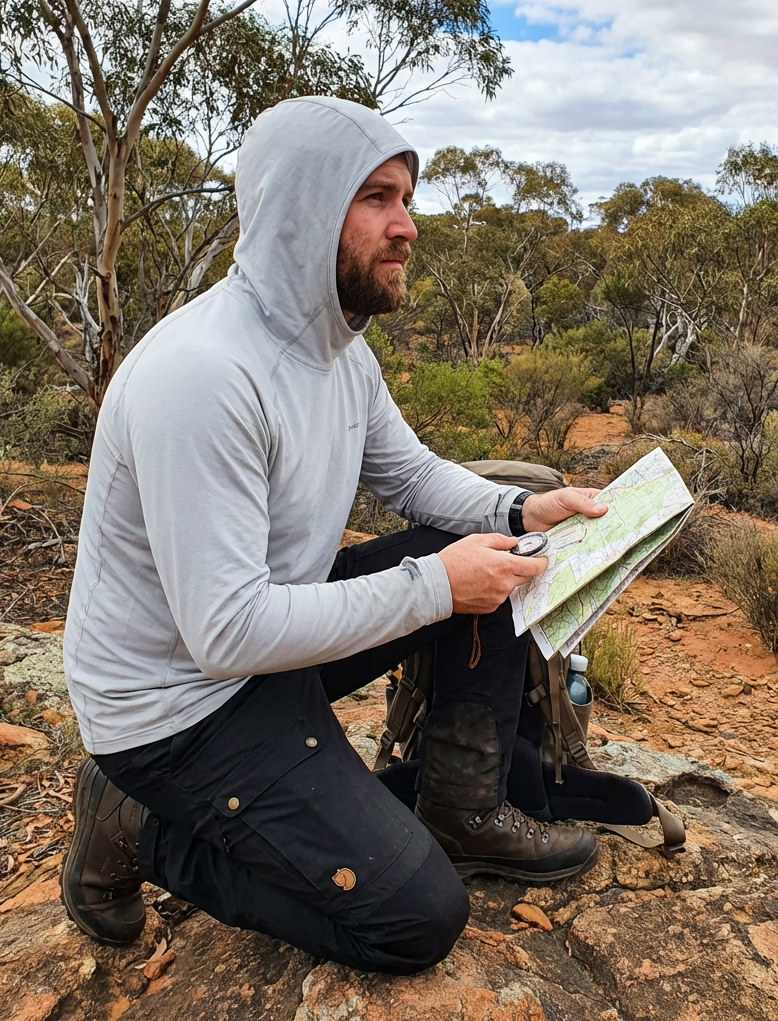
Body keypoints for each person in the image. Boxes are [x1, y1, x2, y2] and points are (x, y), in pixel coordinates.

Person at [60, 97, 607, 975]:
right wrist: (434, 586)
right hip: (177, 710)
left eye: (408, 197)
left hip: (269, 642)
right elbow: (225, 631)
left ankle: (462, 808)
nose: (408, 226)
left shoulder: (341, 352)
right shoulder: (201, 377)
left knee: (502, 560)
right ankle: (136, 824)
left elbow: (414, 476)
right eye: (379, 198)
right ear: (302, 208)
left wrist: (519, 513)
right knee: (416, 918)